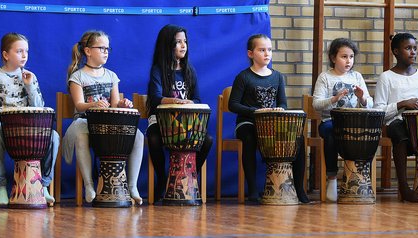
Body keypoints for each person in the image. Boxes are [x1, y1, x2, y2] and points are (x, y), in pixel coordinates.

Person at [0, 32, 59, 206]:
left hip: (27, 128)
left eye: (26, 51)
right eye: (19, 51)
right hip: (4, 126)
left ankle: (43, 185)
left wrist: (29, 87)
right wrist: (4, 115)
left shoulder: (30, 77)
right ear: (6, 55)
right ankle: (1, 187)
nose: (24, 55)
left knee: (54, 136)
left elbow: (39, 106)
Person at [62, 30, 144, 205]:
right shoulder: (78, 76)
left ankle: (132, 186)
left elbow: (114, 105)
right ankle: (89, 185)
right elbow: (79, 105)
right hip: (85, 122)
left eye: (107, 48)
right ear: (88, 51)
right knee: (81, 134)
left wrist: (122, 104)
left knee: (138, 135)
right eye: (101, 48)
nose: (106, 52)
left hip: (107, 125)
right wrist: (94, 104)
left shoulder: (112, 76)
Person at [229, 33, 309, 203]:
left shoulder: (277, 76)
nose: (267, 54)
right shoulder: (243, 77)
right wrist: (256, 111)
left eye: (269, 50)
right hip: (248, 122)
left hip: (269, 123)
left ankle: (299, 188)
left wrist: (279, 109)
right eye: (262, 50)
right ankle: (252, 190)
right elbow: (233, 104)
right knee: (250, 138)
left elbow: (283, 103)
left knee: (298, 139)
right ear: (250, 54)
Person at [146, 24, 213, 203]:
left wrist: (189, 102)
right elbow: (155, 98)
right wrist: (176, 101)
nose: (183, 45)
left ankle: (191, 174)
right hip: (161, 122)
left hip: (185, 123)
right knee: (153, 139)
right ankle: (163, 178)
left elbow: (198, 100)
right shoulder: (158, 70)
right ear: (167, 45)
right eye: (178, 42)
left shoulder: (189, 71)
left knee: (207, 140)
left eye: (185, 41)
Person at [374, 33, 418, 202]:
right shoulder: (386, 77)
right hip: (395, 123)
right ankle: (404, 187)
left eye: (415, 48)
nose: (413, 52)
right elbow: (379, 111)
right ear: (396, 52)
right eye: (408, 48)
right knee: (399, 133)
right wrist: (402, 104)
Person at [312, 38, 373, 202]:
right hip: (330, 122)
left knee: (367, 135)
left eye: (351, 57)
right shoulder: (325, 77)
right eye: (344, 56)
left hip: (352, 122)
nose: (348, 61)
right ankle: (332, 178)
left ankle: (359, 177)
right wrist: (334, 99)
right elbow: (316, 104)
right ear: (333, 58)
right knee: (332, 133)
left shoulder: (357, 76)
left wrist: (363, 98)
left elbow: (370, 103)